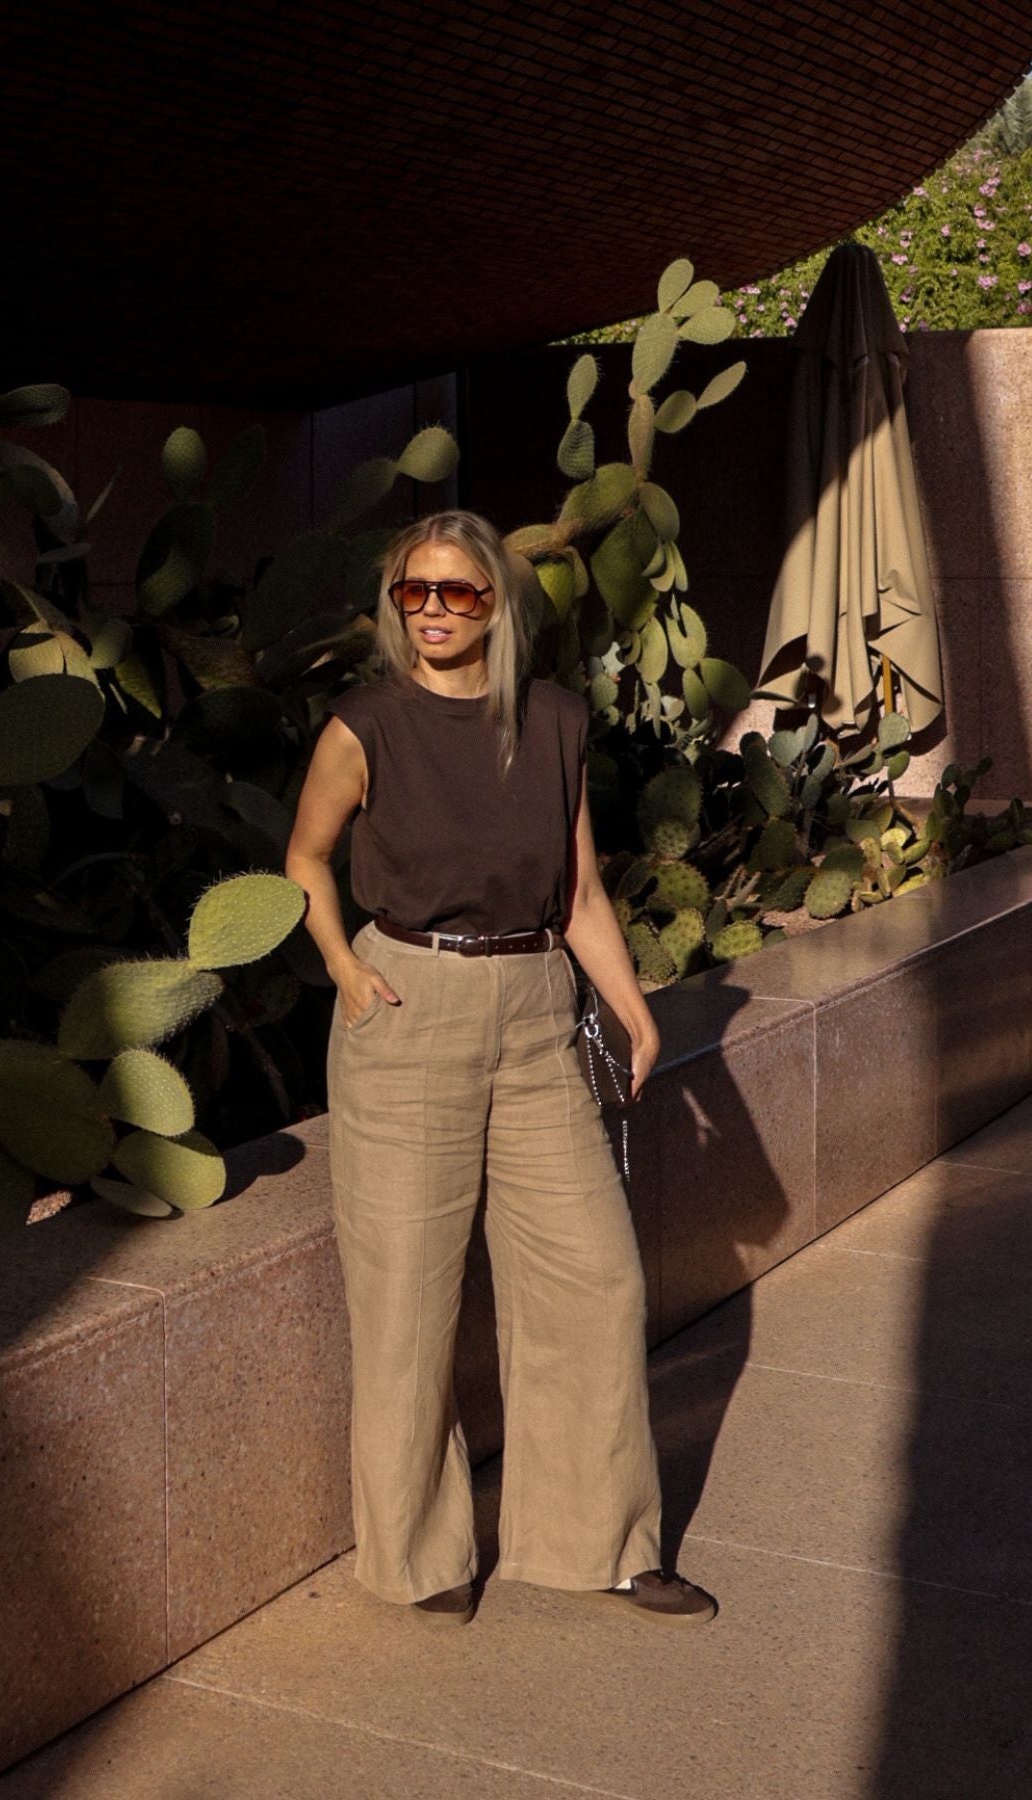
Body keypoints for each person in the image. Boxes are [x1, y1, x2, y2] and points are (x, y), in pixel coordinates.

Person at [285, 507, 716, 1628]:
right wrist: (342, 965)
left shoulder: (556, 721)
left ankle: (600, 1543)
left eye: (458, 592)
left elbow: (579, 892)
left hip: (535, 1013)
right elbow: (306, 858)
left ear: (498, 604)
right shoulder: (365, 726)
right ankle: (421, 1557)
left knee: (596, 1276)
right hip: (407, 1008)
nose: (432, 611)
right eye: (413, 592)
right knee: (407, 1299)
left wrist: (631, 1007)